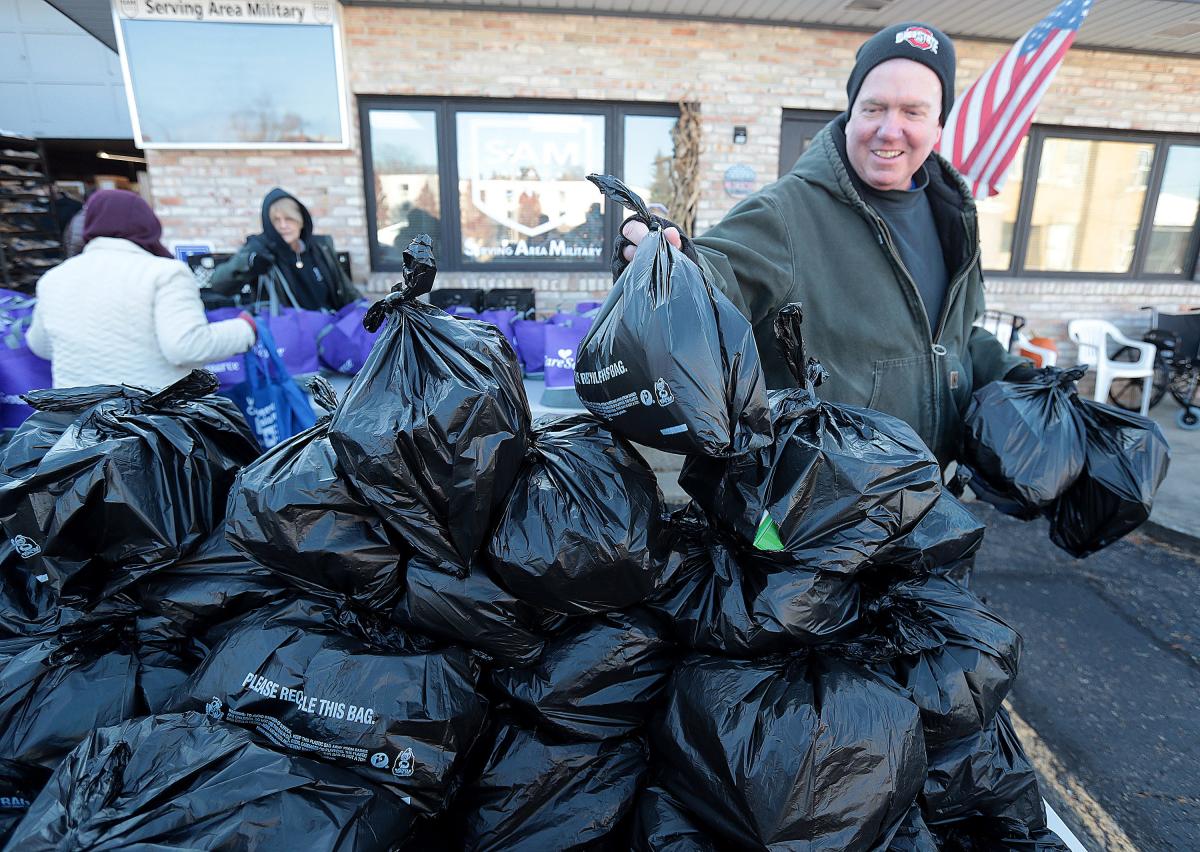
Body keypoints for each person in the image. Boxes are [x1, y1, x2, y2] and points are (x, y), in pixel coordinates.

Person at [616, 22, 1032, 465]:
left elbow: (955, 336)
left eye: (912, 112)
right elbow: (717, 274)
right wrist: (670, 262)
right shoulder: (785, 212)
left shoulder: (953, 217)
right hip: (823, 512)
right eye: (874, 108)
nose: (889, 130)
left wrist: (1021, 378)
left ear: (939, 126)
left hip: (931, 503)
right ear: (850, 114)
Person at [26, 189, 256, 389]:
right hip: (151, 425)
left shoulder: (53, 279)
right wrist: (245, 329)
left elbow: (41, 345)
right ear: (147, 225)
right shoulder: (164, 273)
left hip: (79, 428)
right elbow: (186, 347)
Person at [210, 188, 359, 311]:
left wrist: (363, 312)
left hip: (329, 328)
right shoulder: (260, 249)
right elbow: (219, 285)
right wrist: (248, 264)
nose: (283, 225)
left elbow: (347, 290)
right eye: (276, 220)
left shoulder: (320, 247)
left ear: (301, 221)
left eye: (289, 219)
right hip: (286, 336)